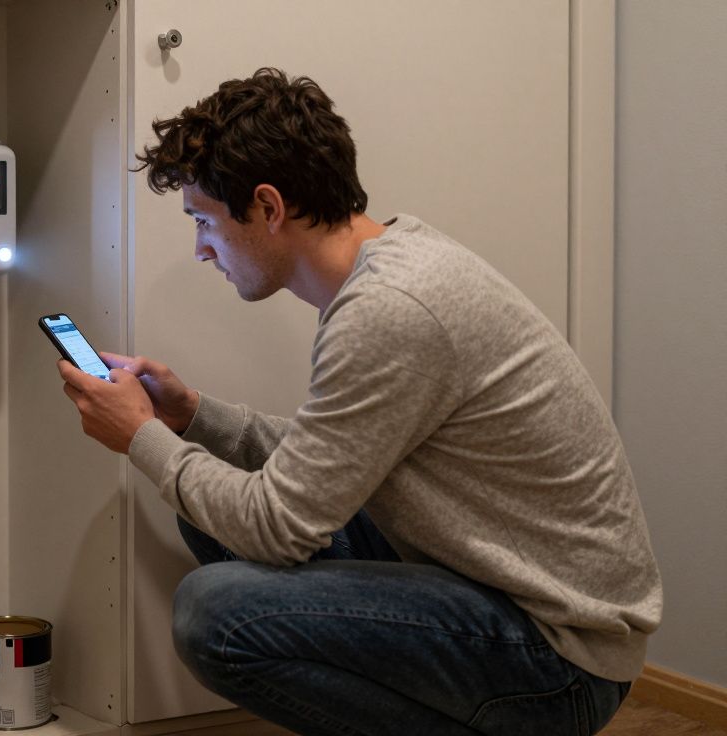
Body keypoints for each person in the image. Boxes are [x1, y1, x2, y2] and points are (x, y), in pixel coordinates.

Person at [56, 68, 661, 736]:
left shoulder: (387, 311)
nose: (201, 249)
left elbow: (276, 525)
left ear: (268, 207)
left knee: (213, 611)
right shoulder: (389, 263)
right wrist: (188, 414)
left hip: (559, 655)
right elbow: (326, 464)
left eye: (205, 221)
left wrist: (140, 436)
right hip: (495, 582)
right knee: (211, 507)